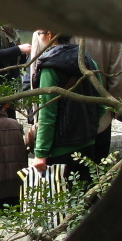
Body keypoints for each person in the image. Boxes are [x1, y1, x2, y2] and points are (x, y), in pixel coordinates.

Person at [30, 30, 104, 187]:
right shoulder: (88, 61)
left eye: (40, 32)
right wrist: (90, 128)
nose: (38, 36)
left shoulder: (49, 67)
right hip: (87, 144)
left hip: (60, 150)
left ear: (50, 35)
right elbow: (102, 105)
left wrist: (40, 153)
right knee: (85, 203)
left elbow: (47, 114)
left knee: (60, 207)